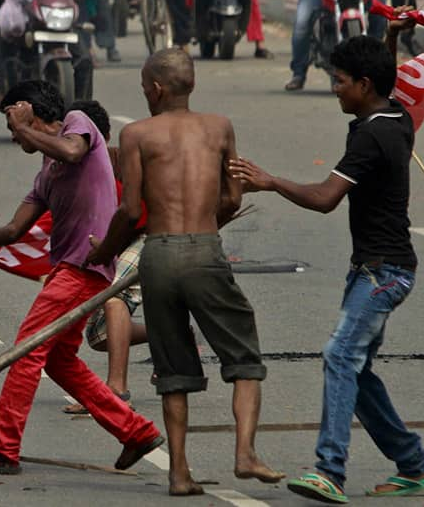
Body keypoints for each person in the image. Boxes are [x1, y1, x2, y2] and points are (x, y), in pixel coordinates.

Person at [229, 34, 424, 504]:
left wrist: (269, 182)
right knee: (358, 369)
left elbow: (326, 199)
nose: (335, 89)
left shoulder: (373, 133)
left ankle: (330, 469)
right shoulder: (395, 118)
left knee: (340, 356)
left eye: (342, 81)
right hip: (378, 266)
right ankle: (414, 462)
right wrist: (387, 34)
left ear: (366, 85)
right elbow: (386, 75)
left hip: (382, 273)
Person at [86, 48, 283, 496]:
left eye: (143, 88)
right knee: (244, 358)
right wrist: (206, 218)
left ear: (155, 89)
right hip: (204, 249)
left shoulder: (136, 134)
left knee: (173, 367)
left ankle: (178, 473)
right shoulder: (219, 127)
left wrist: (105, 255)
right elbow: (233, 198)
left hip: (157, 254)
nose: (143, 94)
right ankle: (245, 453)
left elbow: (130, 208)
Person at [0, 79, 164, 475]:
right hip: (72, 271)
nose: (14, 137)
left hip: (83, 268)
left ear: (29, 112)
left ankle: (1, 449)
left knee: (26, 352)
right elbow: (15, 229)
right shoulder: (46, 175)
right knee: (60, 362)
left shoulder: (77, 125)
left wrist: (25, 126)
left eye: (12, 125)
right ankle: (136, 432)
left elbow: (71, 149)